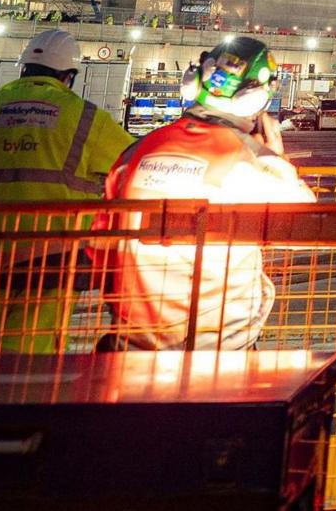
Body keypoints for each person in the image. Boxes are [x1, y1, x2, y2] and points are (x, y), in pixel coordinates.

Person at [0, 27, 134, 353]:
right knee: (33, 352)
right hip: (51, 256)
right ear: (69, 76)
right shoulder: (87, 118)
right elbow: (132, 162)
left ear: (23, 69)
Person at [101, 34, 312, 350]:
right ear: (255, 99)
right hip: (219, 348)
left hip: (134, 343)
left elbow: (100, 245)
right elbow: (307, 225)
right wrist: (276, 157)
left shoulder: (136, 153)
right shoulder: (252, 162)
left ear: (195, 81)